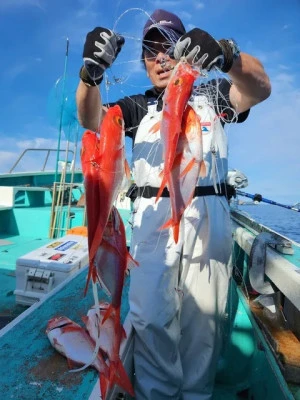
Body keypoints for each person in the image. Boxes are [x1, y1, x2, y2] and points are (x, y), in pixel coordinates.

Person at [76, 9, 271, 400]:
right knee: (149, 321)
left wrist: (226, 54)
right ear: (145, 63)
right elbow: (90, 117)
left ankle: (197, 394)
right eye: (151, 50)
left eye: (169, 46)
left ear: (186, 52)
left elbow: (260, 87)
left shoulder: (213, 94)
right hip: (152, 226)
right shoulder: (134, 108)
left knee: (204, 325)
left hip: (207, 223)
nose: (161, 57)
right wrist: (90, 76)